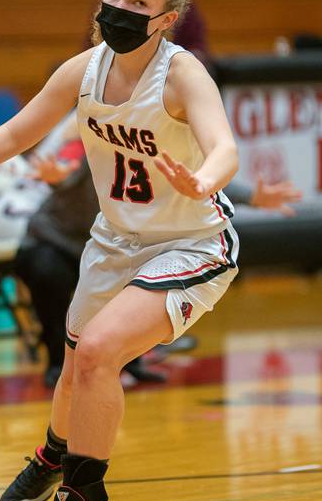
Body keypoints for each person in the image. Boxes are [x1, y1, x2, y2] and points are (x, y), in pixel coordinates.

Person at [0, 0, 239, 501]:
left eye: (138, 3)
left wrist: (206, 179)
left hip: (191, 243)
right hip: (113, 241)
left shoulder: (182, 72)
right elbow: (16, 134)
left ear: (167, 17)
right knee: (74, 373)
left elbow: (224, 145)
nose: (119, 9)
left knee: (97, 353)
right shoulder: (82, 69)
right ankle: (51, 455)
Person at [19, 135, 301, 388]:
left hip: (119, 244)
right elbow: (68, 162)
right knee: (49, 275)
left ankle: (130, 363)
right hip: (56, 240)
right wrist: (56, 175)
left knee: (137, 282)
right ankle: (57, 363)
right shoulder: (96, 133)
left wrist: (254, 196)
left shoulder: (152, 138)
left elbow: (198, 180)